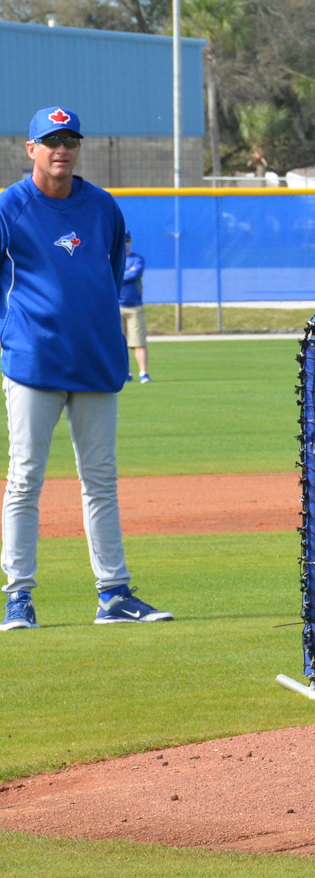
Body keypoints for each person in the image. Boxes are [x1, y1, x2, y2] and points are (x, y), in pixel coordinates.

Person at [1, 108, 173, 630]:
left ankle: (114, 594)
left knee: (100, 479)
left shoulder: (101, 207)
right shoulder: (9, 207)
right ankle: (18, 598)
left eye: (70, 139)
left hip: (97, 359)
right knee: (26, 478)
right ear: (30, 148)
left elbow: (111, 276)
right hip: (34, 360)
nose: (62, 149)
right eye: (50, 140)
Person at [119, 232, 150, 384]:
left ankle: (143, 373)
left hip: (134, 306)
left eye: (127, 240)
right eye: (122, 240)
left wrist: (119, 275)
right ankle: (125, 372)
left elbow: (134, 274)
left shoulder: (137, 259)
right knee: (118, 342)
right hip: (115, 306)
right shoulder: (112, 259)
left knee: (139, 342)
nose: (125, 243)